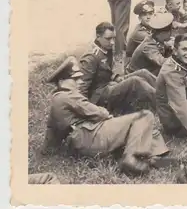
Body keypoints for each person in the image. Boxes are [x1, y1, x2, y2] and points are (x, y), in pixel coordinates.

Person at [41, 56, 172, 176]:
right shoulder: (68, 95)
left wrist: (48, 150)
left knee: (140, 128)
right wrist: (106, 114)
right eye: (75, 79)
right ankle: (132, 159)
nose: (79, 81)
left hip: (84, 141)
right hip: (91, 137)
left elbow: (51, 130)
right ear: (62, 81)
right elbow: (99, 113)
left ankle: (156, 158)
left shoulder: (56, 99)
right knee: (145, 116)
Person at [79, 22, 157, 114]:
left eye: (113, 38)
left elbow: (106, 70)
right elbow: (81, 88)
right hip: (99, 97)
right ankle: (163, 105)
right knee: (135, 81)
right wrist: (87, 111)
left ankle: (166, 92)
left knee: (143, 72)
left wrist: (115, 77)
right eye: (108, 39)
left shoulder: (105, 47)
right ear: (98, 37)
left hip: (109, 85)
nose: (112, 42)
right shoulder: (91, 57)